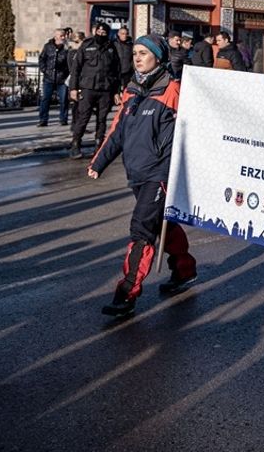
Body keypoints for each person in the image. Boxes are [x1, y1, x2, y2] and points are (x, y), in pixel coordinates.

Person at [88, 33, 197, 317]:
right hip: (136, 171)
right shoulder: (132, 90)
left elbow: (191, 129)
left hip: (159, 172)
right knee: (165, 224)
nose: (137, 57)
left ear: (157, 57)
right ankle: (185, 271)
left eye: (143, 53)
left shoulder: (173, 89)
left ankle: (126, 293)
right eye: (135, 52)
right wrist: (99, 162)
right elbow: (117, 131)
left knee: (142, 229)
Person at [68, 21, 121, 159]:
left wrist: (116, 91)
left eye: (104, 33)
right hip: (87, 88)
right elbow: (76, 68)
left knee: (102, 119)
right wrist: (73, 88)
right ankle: (75, 145)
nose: (101, 34)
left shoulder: (111, 47)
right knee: (83, 117)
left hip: (105, 89)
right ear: (95, 31)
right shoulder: (86, 45)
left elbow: (117, 71)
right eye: (99, 32)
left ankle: (98, 145)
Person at [37, 28, 71, 127]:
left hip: (62, 78)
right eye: (61, 35)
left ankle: (63, 119)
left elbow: (70, 62)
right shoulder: (48, 46)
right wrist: (45, 70)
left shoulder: (67, 47)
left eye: (64, 35)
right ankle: (43, 119)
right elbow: (42, 59)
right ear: (56, 36)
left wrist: (67, 73)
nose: (63, 37)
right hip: (49, 78)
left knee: (64, 100)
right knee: (45, 99)